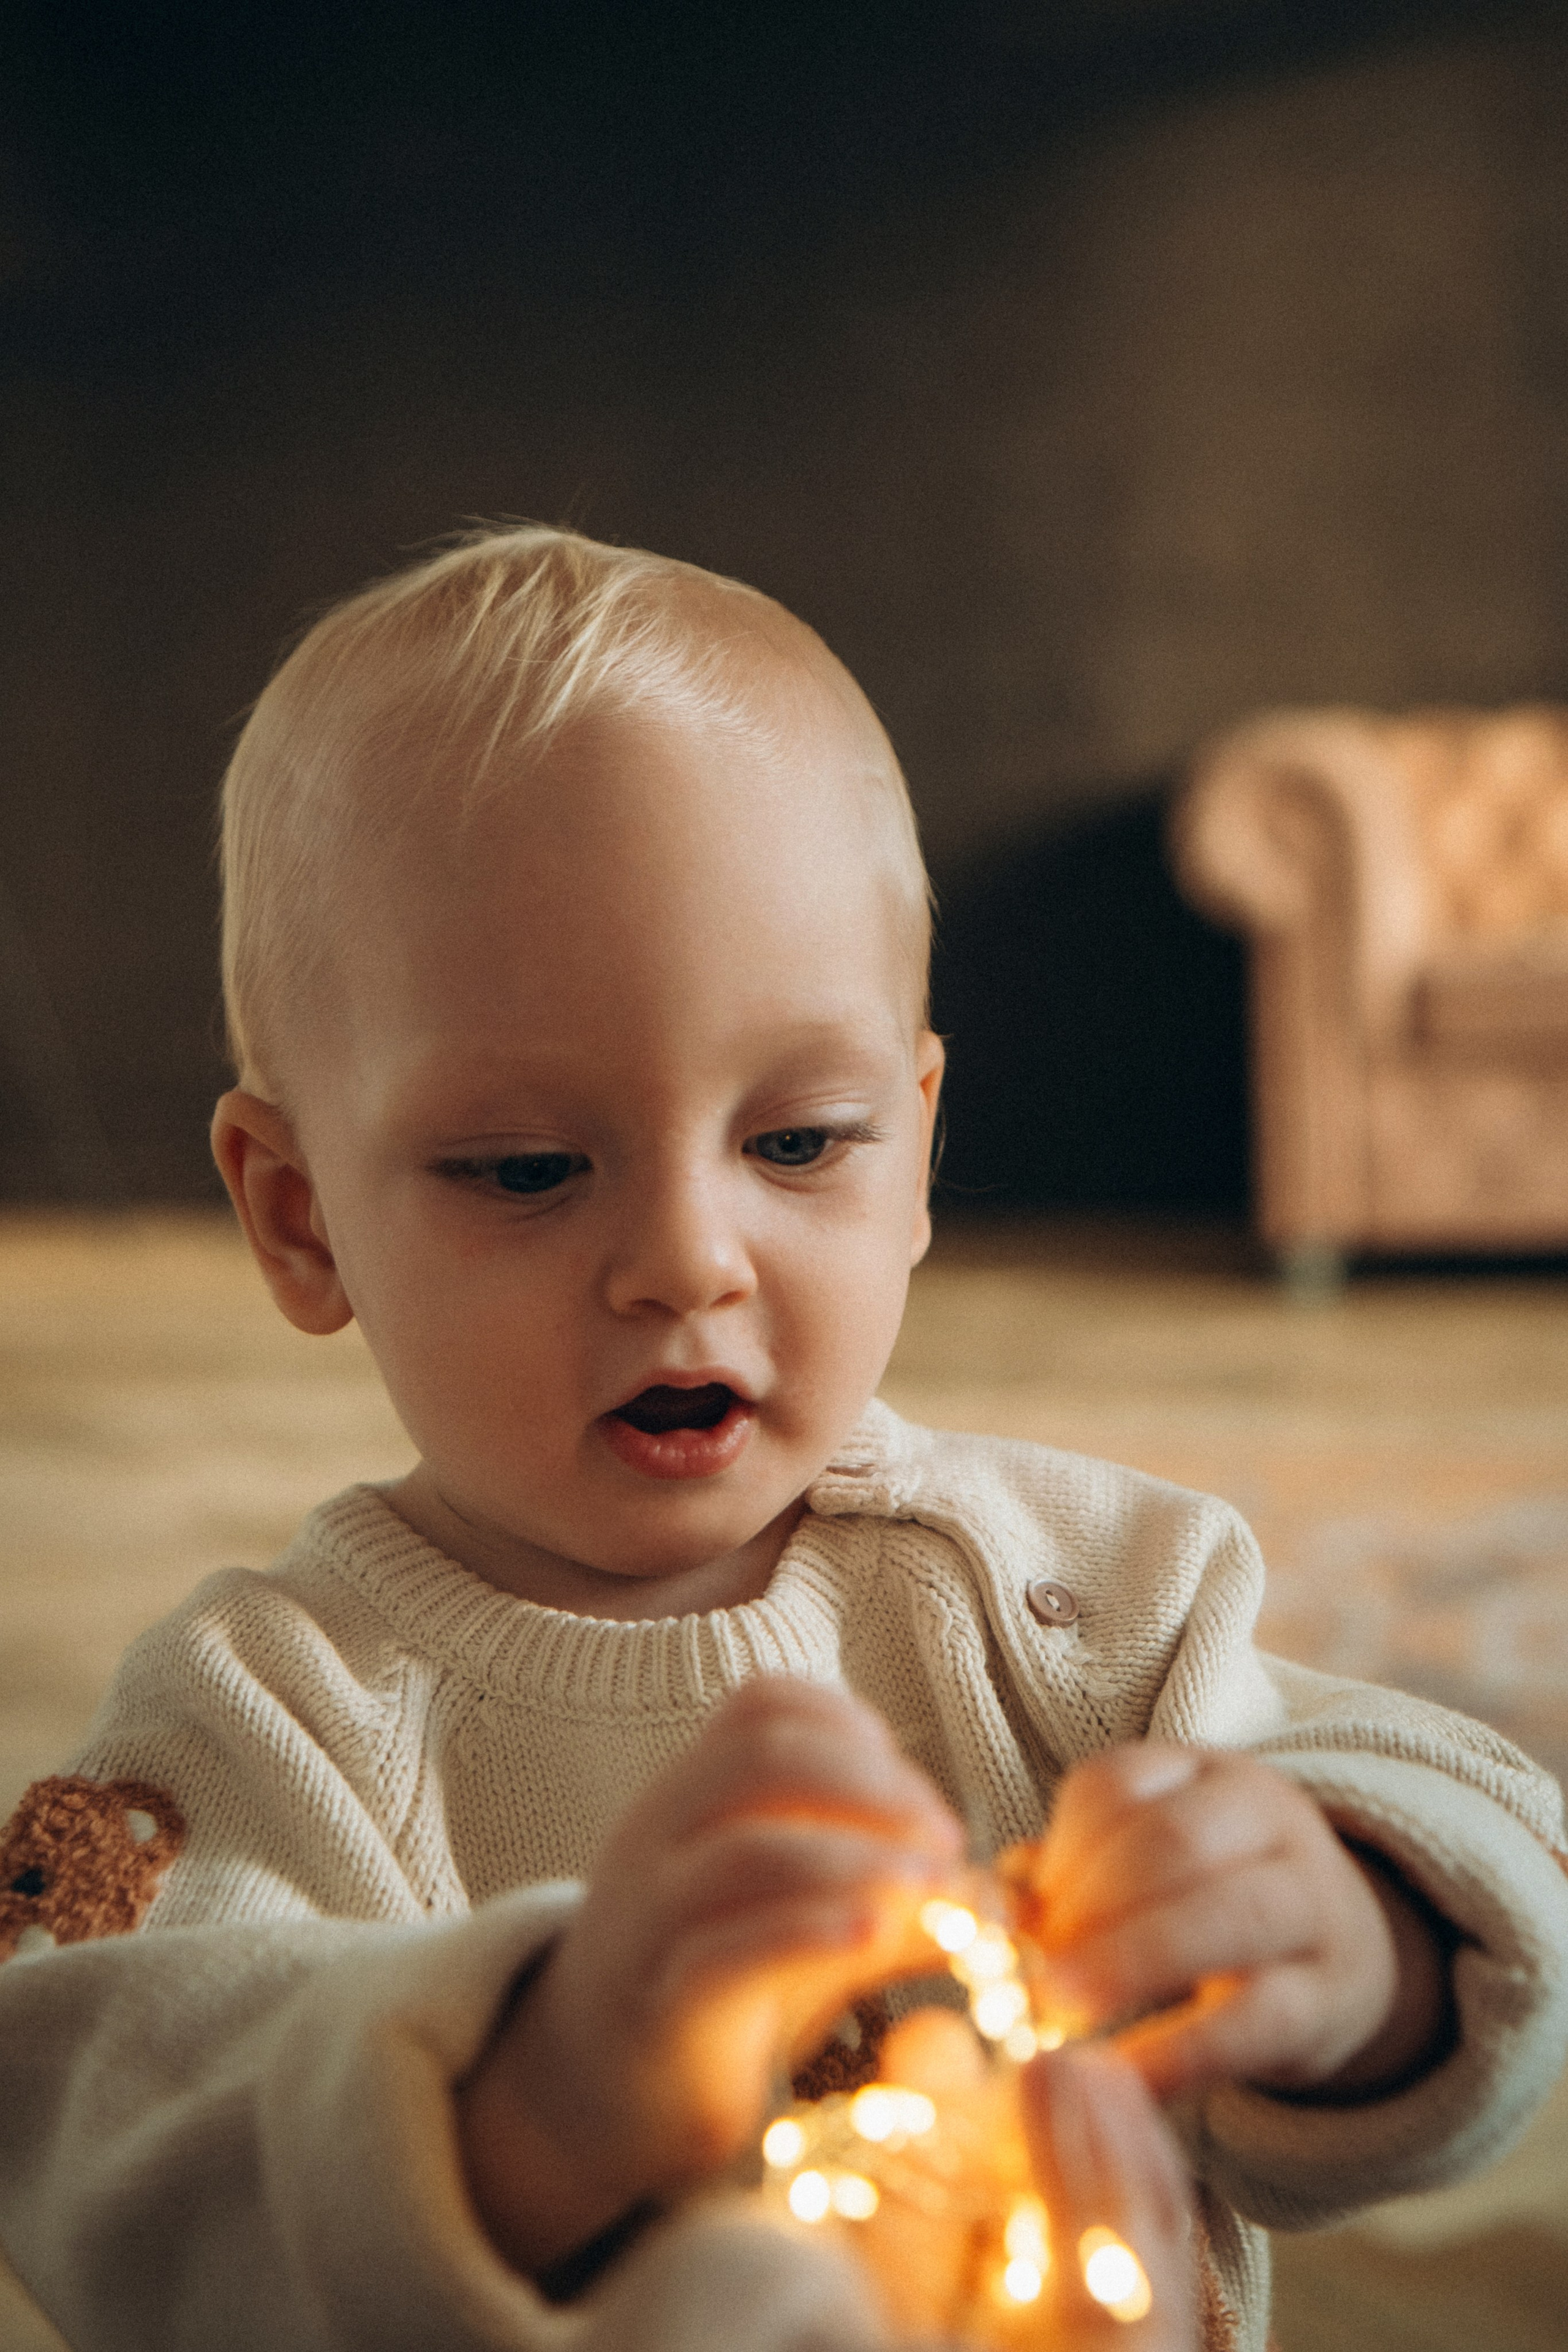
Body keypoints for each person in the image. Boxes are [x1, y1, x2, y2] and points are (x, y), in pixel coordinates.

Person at [0, 528, 1564, 2352]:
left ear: (912, 1145)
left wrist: (1351, 1942)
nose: (685, 1261)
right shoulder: (266, 1714)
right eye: (528, 1168)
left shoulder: (1084, 1601)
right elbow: (86, 2115)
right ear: (300, 1218)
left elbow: (1503, 1850)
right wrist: (538, 2095)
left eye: (801, 1142)